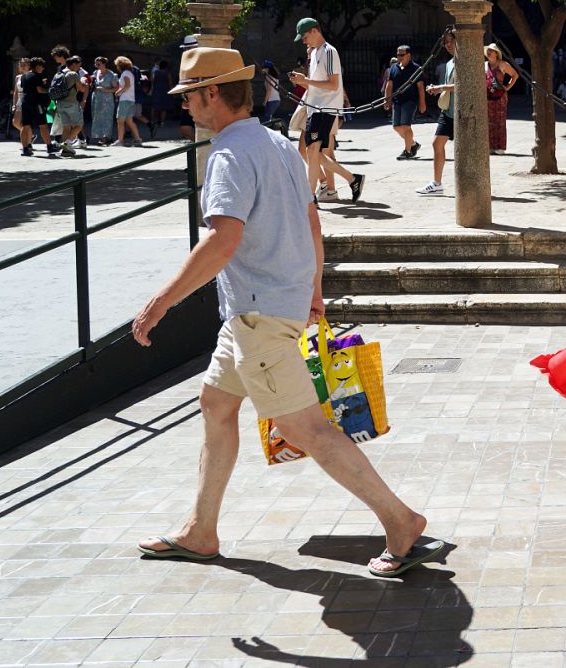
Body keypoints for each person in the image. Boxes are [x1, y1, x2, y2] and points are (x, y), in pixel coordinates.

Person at [130, 45, 444, 578]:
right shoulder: (277, 145)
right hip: (264, 310)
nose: (184, 106)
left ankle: (400, 520)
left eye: (190, 96)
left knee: (307, 430)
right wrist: (314, 291)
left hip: (258, 314)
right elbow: (311, 224)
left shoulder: (229, 155)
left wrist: (159, 303)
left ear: (212, 94)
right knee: (215, 404)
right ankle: (200, 530)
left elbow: (222, 242)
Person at [289, 17, 364, 202]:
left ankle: (310, 195)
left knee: (313, 151)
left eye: (305, 37)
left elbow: (332, 84)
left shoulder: (330, 52)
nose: (304, 41)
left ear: (315, 31)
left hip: (325, 109)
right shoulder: (314, 53)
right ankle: (352, 179)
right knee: (315, 153)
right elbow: (317, 87)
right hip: (315, 109)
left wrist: (305, 81)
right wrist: (302, 80)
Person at [417, 31, 457, 196]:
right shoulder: (448, 64)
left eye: (451, 41)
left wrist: (439, 88)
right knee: (436, 143)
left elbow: (461, 85)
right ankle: (436, 184)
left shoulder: (465, 61)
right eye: (446, 43)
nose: (448, 45)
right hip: (447, 111)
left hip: (461, 112)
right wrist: (439, 89)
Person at [383, 44, 425, 160]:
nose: (399, 57)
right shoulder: (393, 68)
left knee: (406, 125)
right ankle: (413, 144)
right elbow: (389, 85)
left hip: (410, 100)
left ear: (409, 55)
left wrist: (422, 103)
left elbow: (420, 87)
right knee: (396, 126)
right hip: (397, 101)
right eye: (398, 54)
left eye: (402, 54)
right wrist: (387, 100)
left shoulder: (416, 68)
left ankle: (407, 151)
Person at [482, 43, 518, 154]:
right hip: (487, 97)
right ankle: (490, 147)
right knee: (488, 122)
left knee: (500, 121)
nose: (489, 52)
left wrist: (507, 87)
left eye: (491, 50)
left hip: (500, 97)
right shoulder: (484, 65)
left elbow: (515, 75)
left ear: (496, 53)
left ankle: (500, 147)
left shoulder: (503, 64)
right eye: (488, 50)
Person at [49, 52, 86, 157]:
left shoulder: (59, 73)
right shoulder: (73, 74)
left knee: (66, 127)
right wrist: (84, 82)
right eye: (78, 65)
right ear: (73, 64)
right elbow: (82, 89)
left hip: (60, 104)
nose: (79, 67)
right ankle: (67, 143)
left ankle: (65, 150)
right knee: (79, 125)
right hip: (71, 103)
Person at [16, 57, 51, 157]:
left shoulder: (23, 76)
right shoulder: (37, 76)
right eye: (42, 66)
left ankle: (25, 149)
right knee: (43, 125)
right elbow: (39, 90)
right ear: (37, 66)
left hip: (25, 102)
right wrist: (49, 91)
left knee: (25, 126)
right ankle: (49, 146)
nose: (43, 69)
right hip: (37, 104)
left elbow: (25, 88)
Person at [115, 57, 146, 147]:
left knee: (120, 121)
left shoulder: (125, 73)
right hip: (131, 99)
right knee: (129, 121)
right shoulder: (130, 73)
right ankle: (138, 139)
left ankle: (120, 141)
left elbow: (127, 85)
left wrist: (118, 92)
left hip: (125, 99)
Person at [91, 57, 119, 146]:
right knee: (97, 118)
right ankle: (99, 137)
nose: (97, 66)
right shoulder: (95, 73)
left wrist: (105, 90)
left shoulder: (112, 75)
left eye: (98, 64)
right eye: (96, 64)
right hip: (96, 98)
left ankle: (106, 138)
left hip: (107, 99)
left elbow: (116, 88)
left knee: (106, 118)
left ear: (104, 64)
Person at [150, 56, 176, 128]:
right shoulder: (168, 73)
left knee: (154, 107)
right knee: (163, 108)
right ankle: (162, 123)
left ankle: (152, 121)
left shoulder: (155, 72)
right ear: (166, 66)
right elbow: (170, 84)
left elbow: (151, 81)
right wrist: (173, 93)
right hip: (165, 92)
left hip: (156, 91)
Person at [261, 60, 283, 124]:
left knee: (267, 120)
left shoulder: (268, 77)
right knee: (270, 119)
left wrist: (265, 101)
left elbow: (269, 90)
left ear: (267, 69)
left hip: (271, 100)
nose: (262, 69)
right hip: (277, 100)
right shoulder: (275, 78)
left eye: (263, 68)